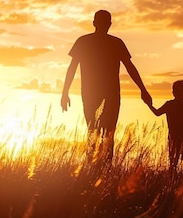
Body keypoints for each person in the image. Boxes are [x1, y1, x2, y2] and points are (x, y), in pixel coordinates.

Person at [61, 10, 152, 164]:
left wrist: (143, 90)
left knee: (102, 132)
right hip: (100, 94)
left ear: (96, 23)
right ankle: (98, 167)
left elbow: (130, 67)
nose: (104, 25)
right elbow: (72, 67)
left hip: (102, 94)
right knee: (100, 131)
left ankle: (101, 168)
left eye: (105, 23)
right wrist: (65, 93)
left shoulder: (100, 42)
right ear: (96, 23)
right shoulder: (93, 42)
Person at [148, 80, 183, 172]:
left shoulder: (170, 105)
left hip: (175, 137)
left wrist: (149, 104)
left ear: (173, 92)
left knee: (173, 163)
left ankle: (173, 180)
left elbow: (157, 113)